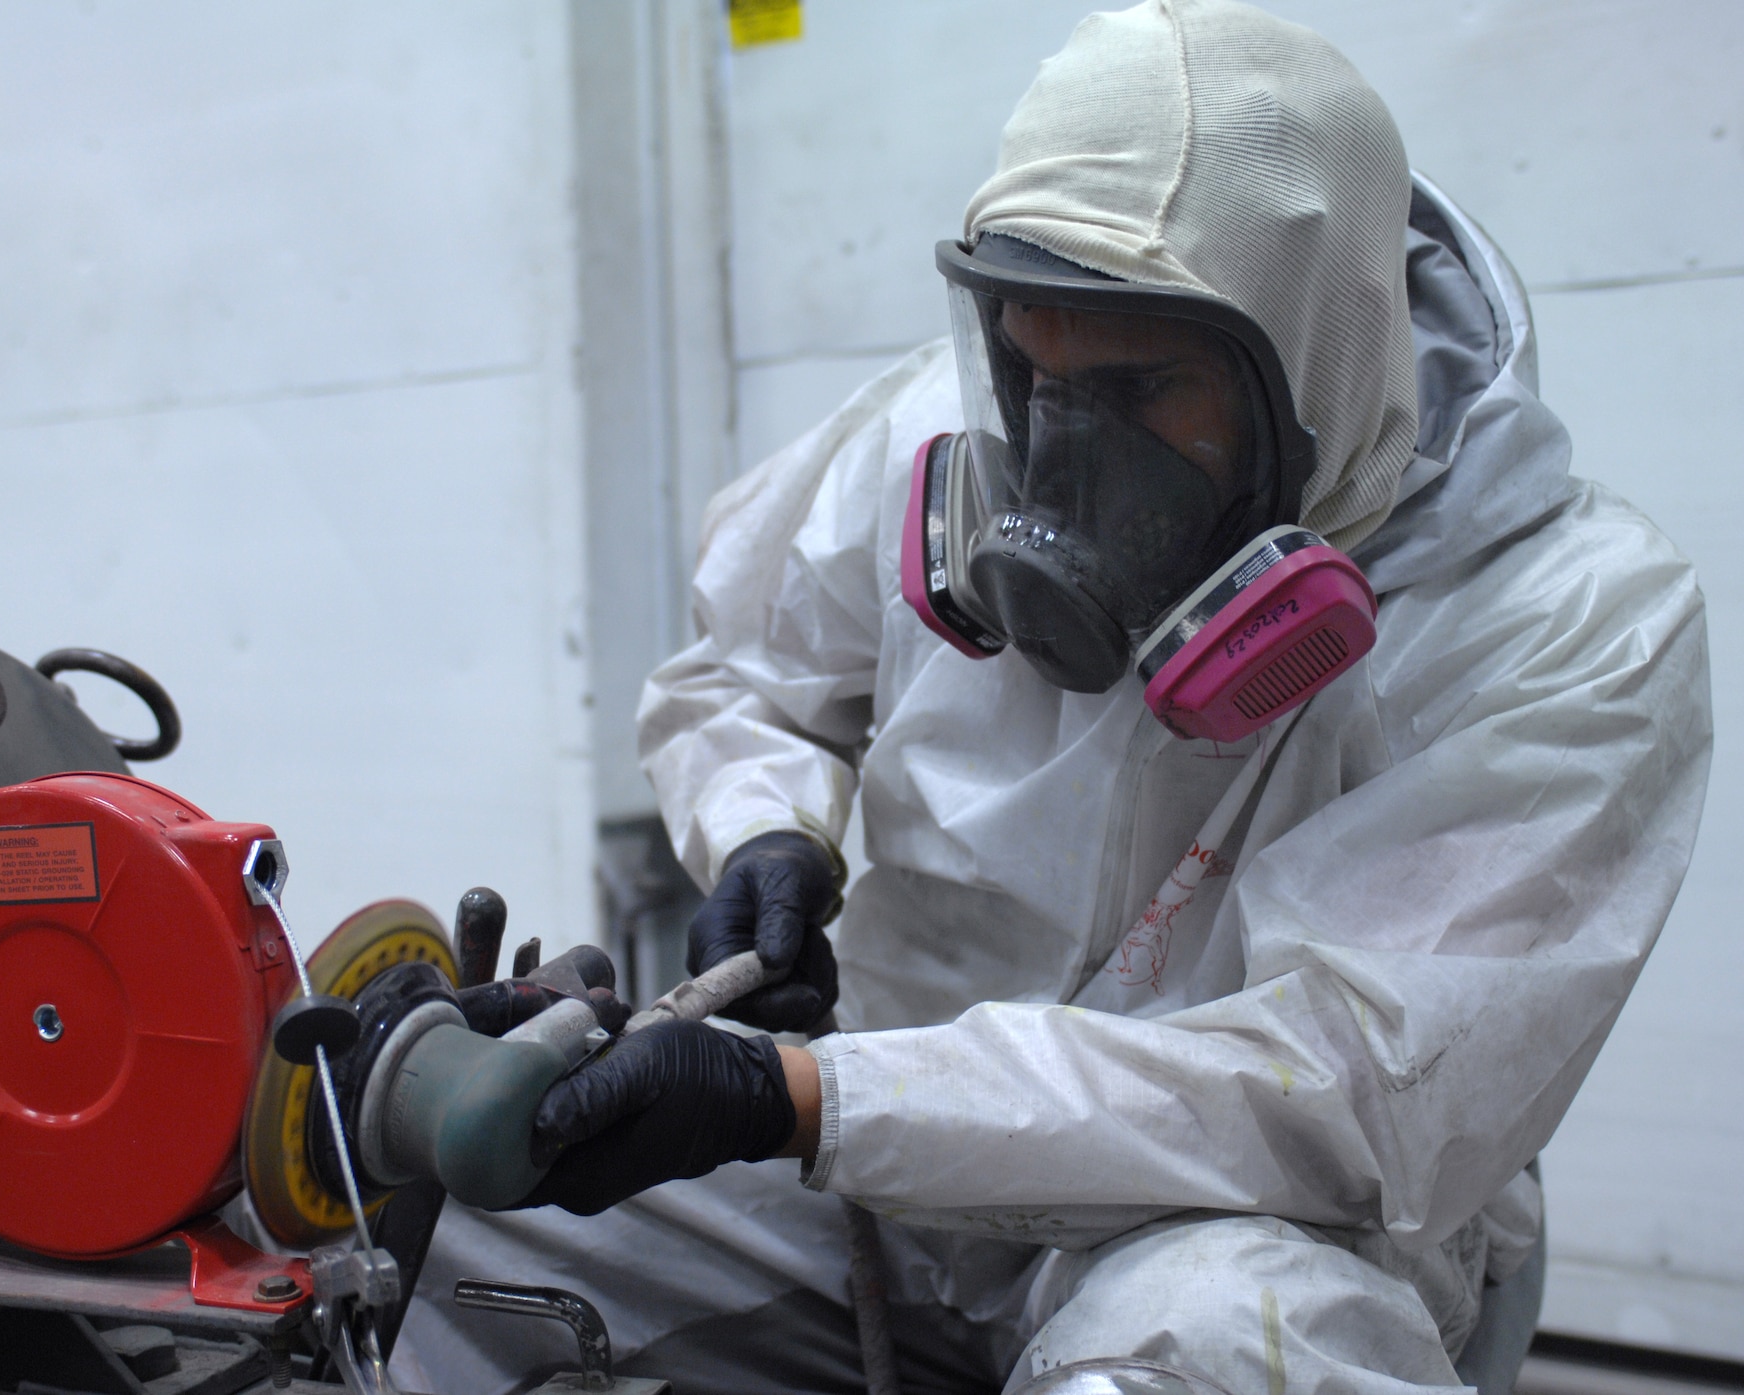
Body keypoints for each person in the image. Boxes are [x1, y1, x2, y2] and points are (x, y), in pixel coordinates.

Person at [393, 2, 1712, 1391]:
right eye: (1031, 369)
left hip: (1246, 1233)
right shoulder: (935, 442)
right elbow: (743, 672)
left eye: (1140, 389)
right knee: (453, 1235)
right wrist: (769, 832)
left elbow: (1339, 1099)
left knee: (1224, 1355)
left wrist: (801, 1098)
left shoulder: (1564, 622)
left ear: (1314, 357)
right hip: (879, 1169)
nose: (1065, 462)